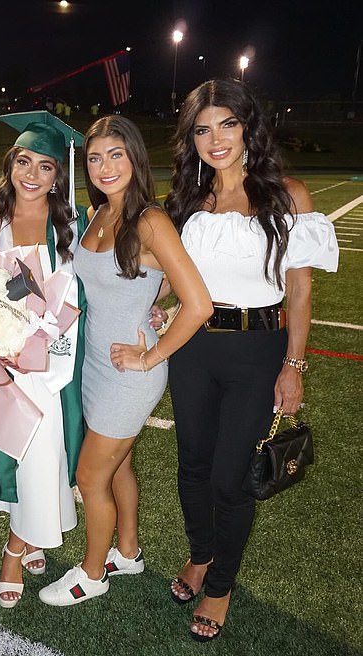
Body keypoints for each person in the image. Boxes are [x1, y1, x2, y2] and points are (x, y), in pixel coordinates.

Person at [153, 78, 339, 641]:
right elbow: (172, 280)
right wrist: (158, 309)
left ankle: (220, 586)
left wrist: (294, 366)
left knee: (230, 479)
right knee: (192, 464)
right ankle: (202, 553)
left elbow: (299, 291)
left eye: (226, 124)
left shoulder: (288, 194)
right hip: (193, 349)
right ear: (192, 139)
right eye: (202, 129)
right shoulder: (185, 199)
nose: (216, 139)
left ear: (247, 126)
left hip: (258, 351)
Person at [39, 115, 212, 606]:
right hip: (94, 365)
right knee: (117, 469)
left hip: (129, 375)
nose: (104, 166)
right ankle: (128, 552)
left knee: (89, 475)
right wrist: (152, 296)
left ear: (135, 158)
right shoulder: (98, 214)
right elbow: (136, 279)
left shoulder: (150, 221)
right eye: (94, 158)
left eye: (116, 155)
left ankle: (93, 573)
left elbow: (199, 303)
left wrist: (150, 355)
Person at [0, 111, 87, 608]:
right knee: (13, 456)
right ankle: (32, 533)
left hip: (53, 364)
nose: (32, 174)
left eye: (45, 166)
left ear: (59, 174)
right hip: (2, 362)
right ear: (10, 165)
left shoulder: (75, 225)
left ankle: (16, 550)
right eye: (24, 161)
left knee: (44, 456)